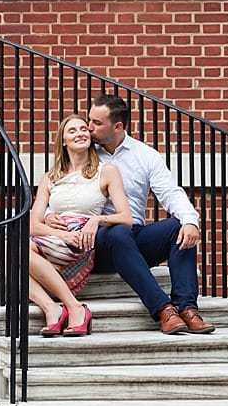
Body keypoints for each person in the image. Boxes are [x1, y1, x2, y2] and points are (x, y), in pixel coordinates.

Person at [65, 94, 215, 335]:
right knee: (118, 233)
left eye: (96, 123)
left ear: (118, 126)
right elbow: (61, 187)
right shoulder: (84, 152)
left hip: (132, 237)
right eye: (88, 120)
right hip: (96, 242)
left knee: (179, 228)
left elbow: (170, 192)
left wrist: (190, 221)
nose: (89, 128)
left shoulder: (145, 155)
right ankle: (163, 308)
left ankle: (187, 307)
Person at [27, 115, 133, 337]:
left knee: (14, 254)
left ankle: (67, 308)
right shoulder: (50, 177)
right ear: (63, 141)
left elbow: (125, 217)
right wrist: (58, 232)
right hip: (55, 236)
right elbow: (33, 225)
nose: (80, 133)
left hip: (80, 239)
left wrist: (97, 220)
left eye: (84, 129)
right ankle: (57, 307)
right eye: (72, 130)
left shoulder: (106, 171)